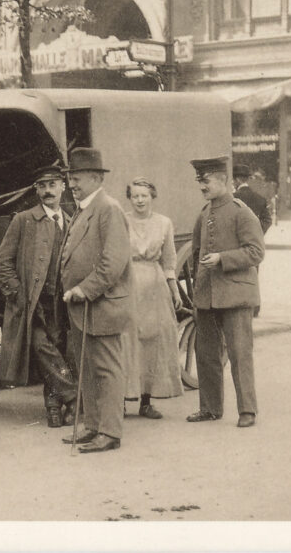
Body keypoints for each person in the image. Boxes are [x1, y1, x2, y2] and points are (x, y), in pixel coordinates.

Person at [58, 148, 132, 453]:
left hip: (100, 303)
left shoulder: (108, 209)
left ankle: (110, 433)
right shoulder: (84, 208)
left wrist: (83, 289)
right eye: (70, 178)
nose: (71, 183)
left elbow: (113, 262)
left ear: (96, 177)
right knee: (87, 368)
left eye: (76, 178)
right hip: (82, 306)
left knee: (107, 369)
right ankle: (93, 426)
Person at [0, 164, 77, 428]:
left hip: (63, 302)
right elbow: (2, 263)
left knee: (60, 350)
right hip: (34, 303)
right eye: (41, 186)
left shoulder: (72, 221)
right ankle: (74, 398)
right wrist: (19, 294)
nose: (47, 191)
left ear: (62, 186)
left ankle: (53, 405)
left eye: (52, 185)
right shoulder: (24, 220)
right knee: (42, 347)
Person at [186, 156, 265, 429]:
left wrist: (222, 258)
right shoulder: (204, 213)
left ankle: (247, 410)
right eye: (200, 182)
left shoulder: (242, 212)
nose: (201, 187)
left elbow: (256, 252)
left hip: (236, 296)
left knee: (239, 353)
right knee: (206, 353)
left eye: (205, 181)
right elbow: (196, 254)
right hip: (207, 296)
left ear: (223, 180)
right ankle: (209, 408)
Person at [121, 178, 183, 419]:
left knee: (152, 342)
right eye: (135, 196)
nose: (139, 200)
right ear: (130, 198)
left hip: (155, 286)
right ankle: (123, 400)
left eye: (144, 195)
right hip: (128, 283)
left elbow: (169, 261)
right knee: (127, 340)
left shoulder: (164, 223)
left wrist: (175, 290)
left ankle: (146, 401)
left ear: (152, 197)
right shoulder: (122, 220)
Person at [232, 163, 272, 235]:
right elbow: (267, 220)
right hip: (255, 240)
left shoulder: (232, 198)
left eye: (233, 180)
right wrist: (257, 233)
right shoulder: (260, 198)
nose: (233, 183)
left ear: (237, 180)